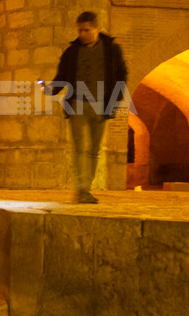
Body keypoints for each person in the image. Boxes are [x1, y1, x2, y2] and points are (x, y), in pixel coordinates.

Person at [47, 11, 128, 204]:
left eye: (86, 30)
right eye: (79, 30)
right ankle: (81, 189)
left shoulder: (112, 50)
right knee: (79, 148)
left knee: (94, 149)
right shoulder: (72, 52)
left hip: (101, 105)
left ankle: (87, 188)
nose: (81, 34)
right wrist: (50, 89)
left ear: (96, 29)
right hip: (78, 104)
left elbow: (121, 76)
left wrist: (114, 103)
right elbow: (63, 76)